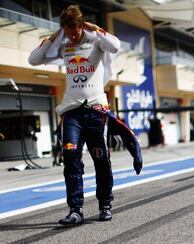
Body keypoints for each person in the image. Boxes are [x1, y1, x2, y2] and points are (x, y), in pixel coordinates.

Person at [28, 5, 140, 225]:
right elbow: (34, 59)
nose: (71, 35)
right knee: (70, 159)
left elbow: (115, 45)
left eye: (74, 30)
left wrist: (94, 28)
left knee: (101, 159)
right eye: (67, 31)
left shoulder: (96, 42)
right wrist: (56, 36)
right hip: (72, 113)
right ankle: (75, 210)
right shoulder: (64, 47)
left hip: (96, 111)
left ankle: (105, 204)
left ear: (81, 25)